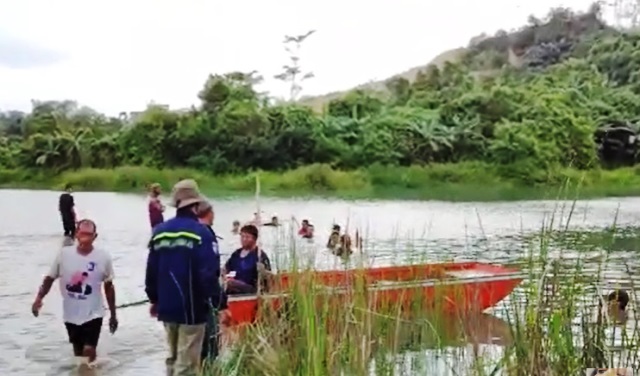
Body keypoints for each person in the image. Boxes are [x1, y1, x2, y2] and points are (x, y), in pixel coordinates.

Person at [145, 179, 227, 376]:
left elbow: (151, 271)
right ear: (196, 204)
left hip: (167, 306)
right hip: (192, 309)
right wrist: (220, 304)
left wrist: (154, 299)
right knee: (188, 365)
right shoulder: (201, 234)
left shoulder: (160, 232)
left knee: (172, 359)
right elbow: (208, 275)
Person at [31, 219, 118, 368]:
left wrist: (113, 315)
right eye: (82, 234)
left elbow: (109, 287)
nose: (85, 238)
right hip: (71, 314)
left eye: (89, 235)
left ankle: (90, 370)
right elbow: (50, 278)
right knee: (78, 356)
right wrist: (39, 298)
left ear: (95, 236)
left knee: (89, 351)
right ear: (76, 234)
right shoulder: (64, 254)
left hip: (94, 313)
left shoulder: (103, 257)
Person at [195, 201, 231, 364]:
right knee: (210, 346)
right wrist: (221, 304)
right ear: (209, 213)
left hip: (184, 300)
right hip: (204, 298)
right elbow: (210, 272)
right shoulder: (206, 234)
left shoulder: (187, 232)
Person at [224, 224, 272, 295]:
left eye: (247, 237)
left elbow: (268, 277)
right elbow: (226, 269)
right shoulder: (236, 254)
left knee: (232, 284)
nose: (244, 239)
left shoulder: (259, 255)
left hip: (251, 289)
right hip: (234, 287)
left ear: (254, 239)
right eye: (242, 236)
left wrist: (263, 271)